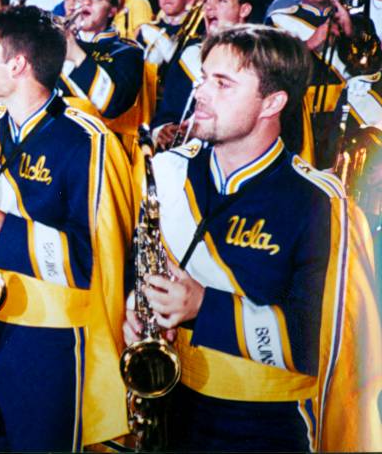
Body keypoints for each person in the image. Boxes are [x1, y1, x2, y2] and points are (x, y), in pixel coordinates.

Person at [124, 24, 381, 452]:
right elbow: (143, 263)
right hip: (170, 402)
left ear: (273, 102)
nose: (201, 92)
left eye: (223, 83)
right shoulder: (167, 170)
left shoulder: (320, 203)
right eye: (204, 77)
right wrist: (138, 304)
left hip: (265, 423)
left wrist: (204, 307)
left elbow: (323, 344)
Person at [0, 6, 132, 451]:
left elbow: (97, 263)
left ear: (18, 64)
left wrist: (3, 230)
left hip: (51, 340)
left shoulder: (88, 140)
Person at [266, 0, 356, 167]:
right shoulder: (279, 19)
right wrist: (311, 43)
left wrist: (350, 31)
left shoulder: (356, 19)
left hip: (347, 110)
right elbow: (271, 68)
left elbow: (371, 67)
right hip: (300, 113)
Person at [152, 0, 255, 149]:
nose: (209, 7)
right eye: (206, 0)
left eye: (221, 0)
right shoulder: (190, 54)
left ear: (244, 9)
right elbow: (167, 112)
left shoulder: (259, 58)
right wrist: (164, 129)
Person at [59, 0, 145, 125]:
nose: (86, 2)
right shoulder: (56, 45)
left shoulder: (128, 52)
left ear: (112, 11)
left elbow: (113, 107)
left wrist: (75, 54)